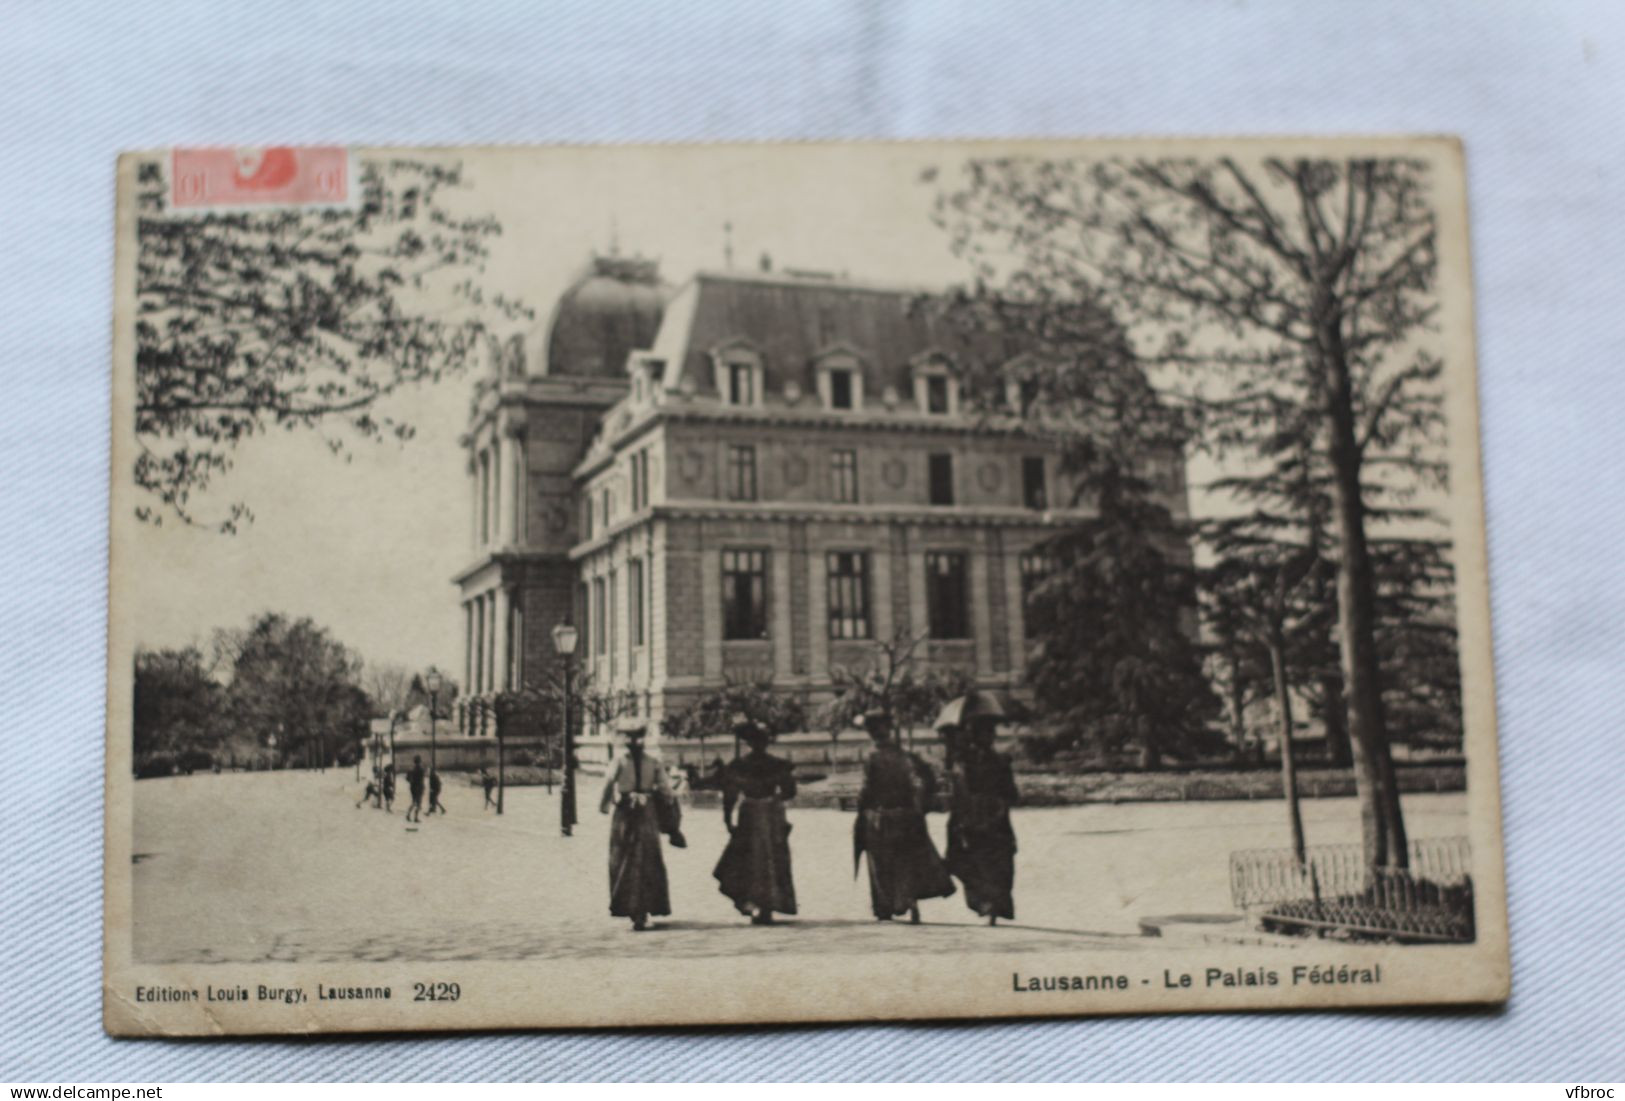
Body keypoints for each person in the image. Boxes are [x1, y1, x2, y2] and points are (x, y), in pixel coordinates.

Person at [853, 710, 955, 923]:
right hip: (907, 816)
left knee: (881, 863)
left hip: (881, 818)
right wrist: (921, 805)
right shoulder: (905, 755)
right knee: (907, 861)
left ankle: (886, 906)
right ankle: (911, 901)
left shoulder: (873, 757)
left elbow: (866, 789)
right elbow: (928, 778)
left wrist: (860, 809)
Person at [713, 720, 798, 924]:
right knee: (764, 858)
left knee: (751, 858)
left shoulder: (740, 766)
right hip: (768, 815)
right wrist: (775, 800)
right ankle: (764, 905)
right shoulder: (775, 765)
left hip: (752, 813)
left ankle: (755, 903)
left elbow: (730, 795)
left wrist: (727, 819)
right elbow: (789, 791)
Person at [945, 715, 1021, 924]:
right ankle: (993, 905)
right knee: (995, 863)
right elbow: (1012, 794)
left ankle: (987, 905)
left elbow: (958, 793)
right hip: (995, 818)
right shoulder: (1000, 761)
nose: (989, 736)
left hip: (972, 817)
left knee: (974, 860)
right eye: (986, 732)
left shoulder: (963, 761)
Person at [599, 720, 674, 931]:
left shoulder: (619, 762)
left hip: (626, 812)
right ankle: (643, 908)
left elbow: (607, 786)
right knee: (645, 856)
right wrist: (667, 805)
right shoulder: (652, 761)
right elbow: (666, 790)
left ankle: (635, 908)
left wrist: (604, 806)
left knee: (626, 857)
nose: (634, 741)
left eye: (635, 737)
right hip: (644, 812)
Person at [405, 756, 425, 823]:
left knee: (413, 802)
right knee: (419, 804)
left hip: (412, 788)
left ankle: (408, 815)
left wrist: (411, 781)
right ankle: (416, 818)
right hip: (419, 788)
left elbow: (407, 779)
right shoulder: (421, 769)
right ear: (420, 761)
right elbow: (422, 779)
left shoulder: (411, 769)